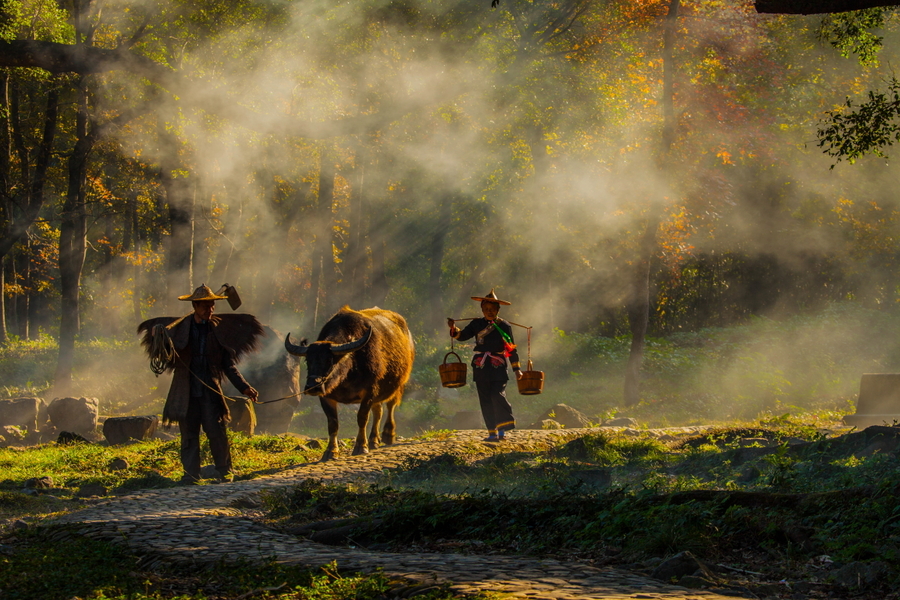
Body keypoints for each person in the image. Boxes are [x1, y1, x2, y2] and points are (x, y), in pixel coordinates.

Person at [160, 284, 260, 483]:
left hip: (210, 389)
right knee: (189, 434)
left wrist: (244, 387)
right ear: (195, 306)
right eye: (205, 306)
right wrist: (159, 336)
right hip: (185, 389)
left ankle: (224, 471)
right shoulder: (179, 330)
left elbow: (228, 365)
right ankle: (190, 475)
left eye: (212, 306)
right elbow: (165, 354)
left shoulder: (218, 331)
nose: (210, 310)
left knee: (216, 431)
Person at [448, 289, 523, 442]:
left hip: (498, 366)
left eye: (492, 309)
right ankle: (492, 433)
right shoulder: (476, 324)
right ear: (482, 309)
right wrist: (454, 329)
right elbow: (462, 336)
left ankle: (502, 429)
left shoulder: (505, 326)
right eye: (486, 309)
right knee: (485, 399)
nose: (489, 312)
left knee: (497, 394)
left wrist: (517, 370)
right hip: (480, 366)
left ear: (498, 310)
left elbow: (511, 348)